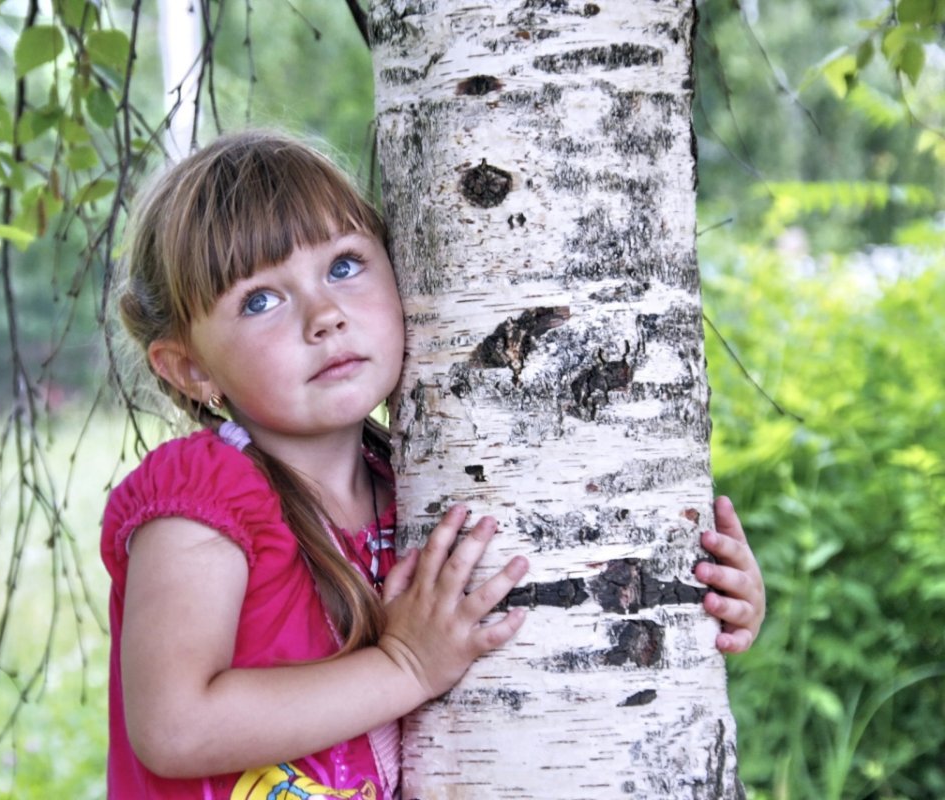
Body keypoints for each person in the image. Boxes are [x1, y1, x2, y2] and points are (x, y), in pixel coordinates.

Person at [102, 131, 766, 799]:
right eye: (260, 300)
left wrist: (686, 591)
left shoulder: (429, 481)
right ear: (189, 368)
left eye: (344, 265)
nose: (325, 316)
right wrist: (405, 666)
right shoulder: (202, 500)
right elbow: (175, 728)